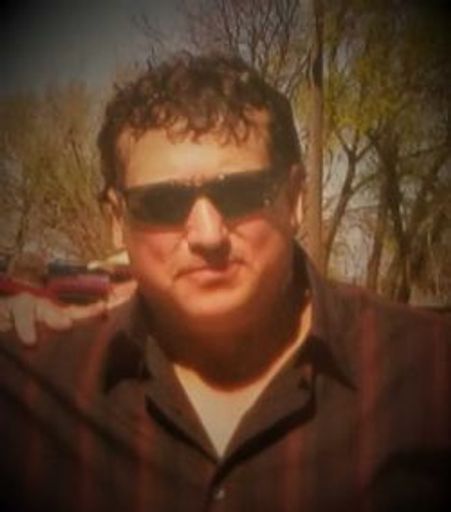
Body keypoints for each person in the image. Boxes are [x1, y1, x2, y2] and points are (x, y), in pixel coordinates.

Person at [0, 53, 450, 512]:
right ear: (117, 220)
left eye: (240, 193)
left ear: (294, 199)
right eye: (162, 203)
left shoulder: (430, 371)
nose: (208, 235)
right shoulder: (30, 388)